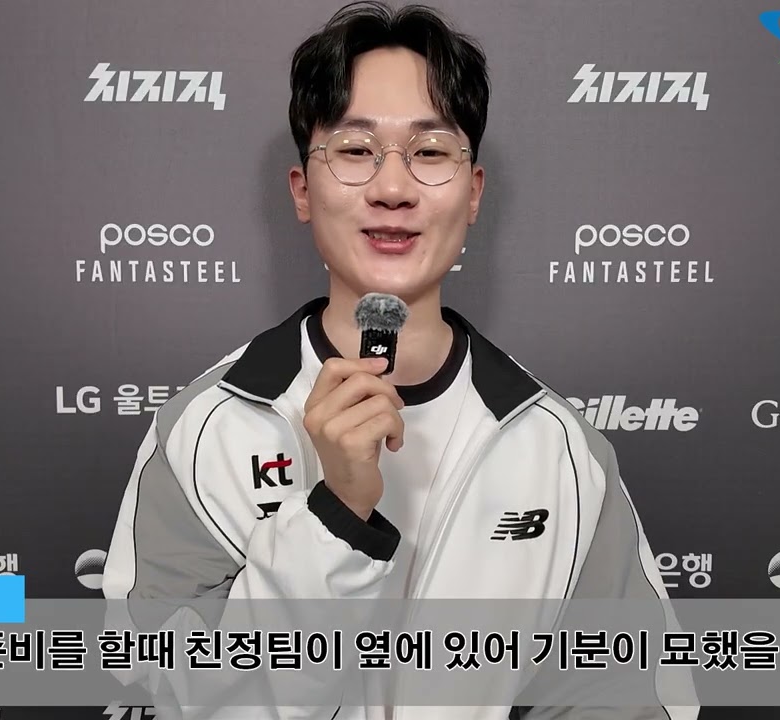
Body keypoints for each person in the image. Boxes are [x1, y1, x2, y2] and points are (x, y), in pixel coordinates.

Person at [102, 2, 698, 718]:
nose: (392, 189)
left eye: (430, 152)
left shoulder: (556, 448)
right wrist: (335, 515)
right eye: (355, 151)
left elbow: (625, 693)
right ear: (303, 190)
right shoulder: (208, 429)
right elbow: (172, 692)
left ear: (473, 193)